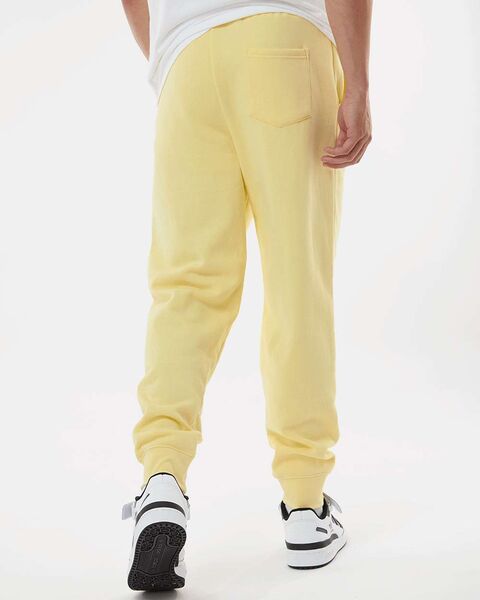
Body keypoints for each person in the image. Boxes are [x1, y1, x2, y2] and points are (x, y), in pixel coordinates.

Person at [121, 0, 372, 591]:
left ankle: (162, 478)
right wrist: (358, 82)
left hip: (187, 65)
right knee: (296, 279)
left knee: (185, 289)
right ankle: (306, 505)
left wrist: (170, 57)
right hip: (284, 44)